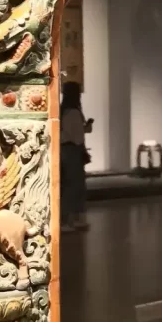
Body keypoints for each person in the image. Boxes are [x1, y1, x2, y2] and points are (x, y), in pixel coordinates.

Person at [59, 81, 93, 233]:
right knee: (73, 186)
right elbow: (77, 135)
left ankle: (72, 219)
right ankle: (66, 220)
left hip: (67, 149)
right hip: (72, 150)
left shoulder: (64, 111)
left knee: (71, 185)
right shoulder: (73, 112)